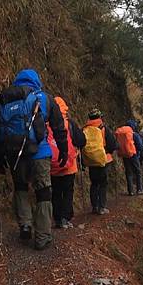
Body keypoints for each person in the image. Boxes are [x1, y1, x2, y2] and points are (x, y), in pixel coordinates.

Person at [0, 68, 67, 249]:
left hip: (14, 154)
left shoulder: (5, 99)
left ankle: (25, 224)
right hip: (39, 154)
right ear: (37, 81)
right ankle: (42, 235)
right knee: (43, 192)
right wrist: (63, 150)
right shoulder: (45, 98)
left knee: (21, 188)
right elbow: (58, 127)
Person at [48, 96, 86, 229]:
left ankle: (57, 218)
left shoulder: (45, 122)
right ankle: (65, 218)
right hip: (69, 164)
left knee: (56, 192)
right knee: (68, 191)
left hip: (52, 165)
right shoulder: (68, 123)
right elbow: (81, 140)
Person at [82, 109, 117, 215]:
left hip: (91, 160)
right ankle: (102, 207)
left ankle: (94, 206)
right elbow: (112, 144)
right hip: (104, 159)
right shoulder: (104, 128)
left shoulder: (85, 129)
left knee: (94, 183)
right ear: (100, 117)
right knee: (102, 183)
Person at [115, 119, 143, 196]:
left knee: (129, 172)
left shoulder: (121, 133)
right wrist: (141, 150)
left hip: (124, 154)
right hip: (133, 154)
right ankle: (139, 189)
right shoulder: (133, 134)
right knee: (138, 171)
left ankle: (130, 191)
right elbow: (139, 146)